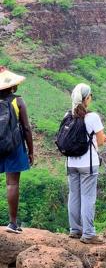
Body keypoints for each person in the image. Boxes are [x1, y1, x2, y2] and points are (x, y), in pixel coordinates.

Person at [67, 83, 106, 244]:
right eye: (90, 96)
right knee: (88, 197)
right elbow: (100, 141)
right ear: (87, 99)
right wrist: (103, 140)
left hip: (70, 163)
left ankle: (75, 230)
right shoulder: (93, 117)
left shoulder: (67, 115)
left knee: (74, 196)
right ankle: (89, 233)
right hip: (88, 164)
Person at [0, 66, 34, 233]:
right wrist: (31, 151)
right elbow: (26, 128)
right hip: (14, 146)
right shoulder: (18, 101)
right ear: (13, 85)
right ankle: (12, 223)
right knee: (12, 183)